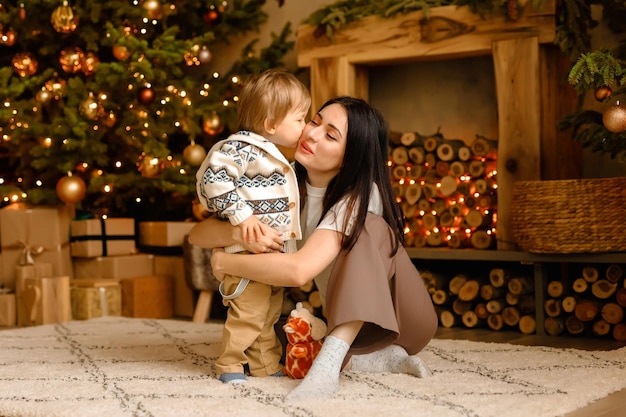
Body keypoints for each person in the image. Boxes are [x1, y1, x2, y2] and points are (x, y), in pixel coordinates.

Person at [189, 96, 437, 400]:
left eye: (331, 135)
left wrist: (226, 264)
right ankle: (372, 358)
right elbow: (198, 235)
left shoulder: (359, 196)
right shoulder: (281, 184)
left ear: (350, 156)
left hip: (402, 319)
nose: (312, 134)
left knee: (369, 227)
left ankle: (328, 367)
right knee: (281, 332)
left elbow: (298, 272)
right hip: (341, 320)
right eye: (315, 121)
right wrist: (243, 231)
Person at [195, 68, 311, 384]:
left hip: (270, 255)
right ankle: (229, 364)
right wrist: (242, 217)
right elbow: (212, 180)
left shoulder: (272, 154)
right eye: (300, 119)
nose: (304, 126)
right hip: (247, 257)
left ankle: (264, 363)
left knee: (269, 313)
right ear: (271, 124)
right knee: (248, 314)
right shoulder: (239, 148)